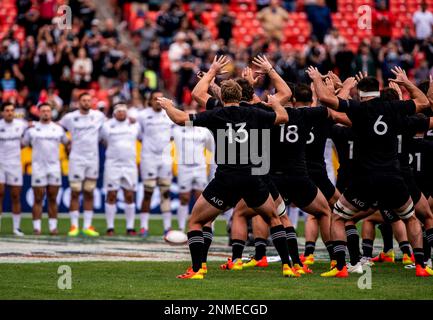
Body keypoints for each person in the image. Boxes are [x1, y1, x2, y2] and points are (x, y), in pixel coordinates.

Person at [160, 55, 296, 280]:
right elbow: (282, 118)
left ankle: (197, 269)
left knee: (196, 221)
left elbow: (181, 118)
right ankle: (288, 266)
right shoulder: (257, 112)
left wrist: (167, 106)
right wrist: (275, 104)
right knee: (274, 219)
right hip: (254, 175)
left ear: (222, 96)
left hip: (227, 179)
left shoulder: (216, 114)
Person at [308, 65, 433, 277]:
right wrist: (406, 82)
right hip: (394, 177)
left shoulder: (358, 109)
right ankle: (421, 265)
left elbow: (327, 102)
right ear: (379, 88)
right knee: (411, 218)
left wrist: (333, 83)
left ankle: (340, 267)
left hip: (365, 178)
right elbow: (424, 103)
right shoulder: (394, 109)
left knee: (338, 216)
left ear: (361, 93)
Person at [59, 92, 105, 237]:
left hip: (92, 158)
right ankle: (74, 226)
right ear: (78, 102)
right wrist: (66, 145)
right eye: (83, 100)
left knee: (89, 191)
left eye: (88, 100)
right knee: (75, 191)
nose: (86, 102)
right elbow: (58, 129)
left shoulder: (99, 116)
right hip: (76, 158)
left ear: (91, 102)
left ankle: (87, 226)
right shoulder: (70, 117)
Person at [23, 103, 69, 235]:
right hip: (38, 167)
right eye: (43, 111)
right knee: (38, 198)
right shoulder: (32, 129)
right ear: (39, 112)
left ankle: (53, 227)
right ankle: (37, 228)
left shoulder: (58, 129)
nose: (46, 113)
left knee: (53, 198)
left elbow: (67, 143)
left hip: (54, 167)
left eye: (48, 111)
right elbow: (23, 144)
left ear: (51, 112)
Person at [137, 90, 175, 238]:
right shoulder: (142, 116)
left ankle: (167, 227)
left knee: (165, 192)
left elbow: (173, 135)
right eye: (155, 99)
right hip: (149, 158)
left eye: (161, 98)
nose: (158, 101)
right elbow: (139, 135)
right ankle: (143, 227)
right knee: (148, 191)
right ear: (150, 101)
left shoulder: (170, 113)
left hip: (165, 159)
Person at [172, 103, 214, 232]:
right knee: (183, 198)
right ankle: (180, 227)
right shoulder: (176, 130)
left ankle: (206, 226)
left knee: (201, 198)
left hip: (200, 167)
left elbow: (211, 148)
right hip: (184, 167)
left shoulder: (204, 130)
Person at [100, 103, 141, 236]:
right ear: (114, 113)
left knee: (129, 195)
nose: (121, 113)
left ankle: (130, 227)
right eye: (119, 111)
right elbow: (103, 141)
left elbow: (141, 138)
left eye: (124, 111)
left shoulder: (135, 125)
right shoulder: (107, 126)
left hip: (129, 165)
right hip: (112, 165)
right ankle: (110, 227)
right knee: (111, 194)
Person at [0, 102, 27, 236]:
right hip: (0, 164)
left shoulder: (21, 124)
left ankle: (16, 227)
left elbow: (27, 137)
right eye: (7, 110)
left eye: (11, 110)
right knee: (0, 194)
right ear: (2, 112)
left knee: (16, 196)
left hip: (15, 164)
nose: (9, 112)